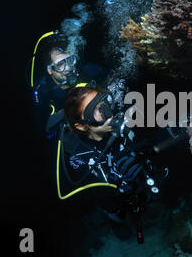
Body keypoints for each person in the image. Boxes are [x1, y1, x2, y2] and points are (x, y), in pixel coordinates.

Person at [57, 86, 167, 243]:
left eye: (105, 103)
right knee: (115, 210)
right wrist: (118, 182)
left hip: (138, 183)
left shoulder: (122, 121)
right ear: (81, 125)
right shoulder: (76, 154)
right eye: (97, 111)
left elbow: (154, 135)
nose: (109, 112)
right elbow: (92, 193)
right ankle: (115, 223)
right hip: (111, 198)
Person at [31, 36, 108, 138]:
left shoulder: (88, 71)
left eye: (70, 60)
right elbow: (45, 129)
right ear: (50, 70)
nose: (68, 68)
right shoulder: (43, 91)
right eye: (60, 65)